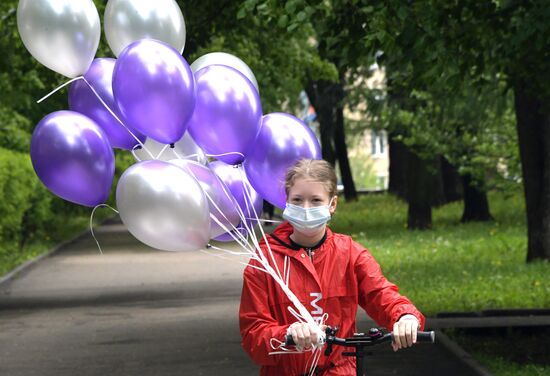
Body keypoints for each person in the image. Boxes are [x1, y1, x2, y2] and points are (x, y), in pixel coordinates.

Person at [239, 159, 425, 375]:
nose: (306, 208)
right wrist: (287, 334)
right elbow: (253, 333)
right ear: (286, 202)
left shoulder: (350, 254)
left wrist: (405, 317)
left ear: (332, 204)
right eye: (297, 200)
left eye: (316, 200)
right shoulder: (264, 261)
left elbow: (382, 294)